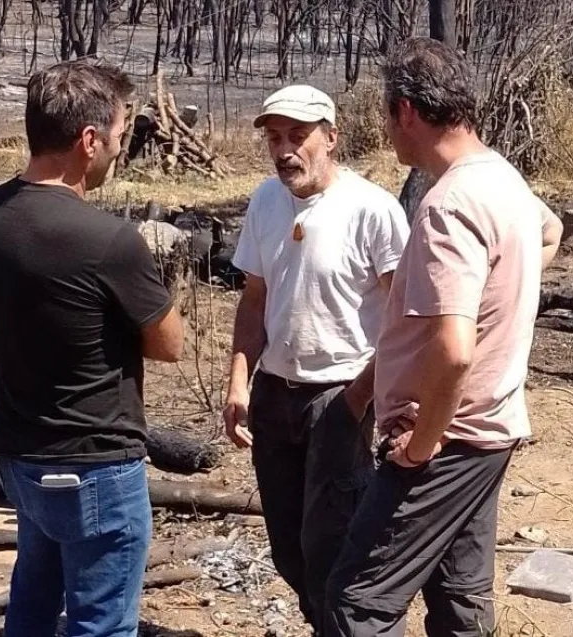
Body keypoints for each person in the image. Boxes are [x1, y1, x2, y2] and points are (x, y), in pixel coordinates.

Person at [324, 38, 563, 636]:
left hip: (445, 441)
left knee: (358, 602)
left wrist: (422, 445)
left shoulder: (447, 204)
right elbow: (549, 231)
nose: (386, 131)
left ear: (406, 111)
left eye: (386, 116)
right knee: (460, 599)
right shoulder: (502, 177)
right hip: (492, 429)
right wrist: (507, 299)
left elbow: (453, 352)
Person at [0, 60, 185, 637]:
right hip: (93, 462)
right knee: (103, 624)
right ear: (88, 140)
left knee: (34, 605)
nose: (120, 147)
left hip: (22, 452)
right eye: (118, 133)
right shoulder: (107, 240)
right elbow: (169, 344)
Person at [222, 84, 410, 634]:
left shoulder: (371, 209)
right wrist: (239, 380)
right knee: (290, 547)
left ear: (332, 138)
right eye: (276, 138)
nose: (285, 150)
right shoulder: (265, 201)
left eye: (298, 137)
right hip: (274, 393)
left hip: (340, 393)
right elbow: (255, 298)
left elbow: (403, 318)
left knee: (337, 545)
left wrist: (356, 400)